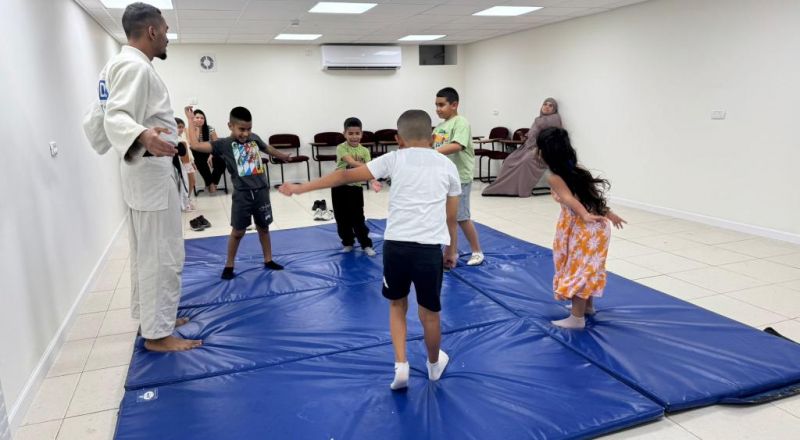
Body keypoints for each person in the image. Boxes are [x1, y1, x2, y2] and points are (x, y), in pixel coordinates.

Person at [279, 110, 460, 390]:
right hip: (428, 250)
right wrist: (452, 250)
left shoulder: (394, 158)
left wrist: (301, 188)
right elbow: (452, 217)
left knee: (397, 305)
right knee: (430, 314)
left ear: (398, 139)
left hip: (397, 247)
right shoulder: (447, 165)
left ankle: (401, 366)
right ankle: (434, 365)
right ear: (434, 136)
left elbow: (343, 175)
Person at [100, 2, 200, 351]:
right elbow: (115, 116)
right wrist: (144, 136)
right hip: (149, 178)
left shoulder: (117, 63)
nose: (168, 37)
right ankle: (158, 335)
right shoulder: (134, 68)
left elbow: (100, 115)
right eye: (166, 31)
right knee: (162, 254)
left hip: (144, 177)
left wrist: (142, 133)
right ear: (153, 31)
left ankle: (156, 318)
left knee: (149, 253)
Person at [536, 127, 626, 329]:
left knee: (578, 269)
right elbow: (591, 197)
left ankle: (576, 318)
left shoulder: (554, 176)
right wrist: (607, 213)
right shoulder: (576, 170)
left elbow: (568, 199)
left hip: (582, 227)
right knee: (588, 267)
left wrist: (585, 215)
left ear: (545, 152)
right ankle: (587, 307)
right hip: (596, 227)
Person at [187, 106, 290, 279]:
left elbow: (268, 149)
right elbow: (195, 145)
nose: (245, 133)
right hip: (242, 194)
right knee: (238, 232)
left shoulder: (254, 139)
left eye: (249, 129)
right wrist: (191, 121)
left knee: (264, 228)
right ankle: (229, 264)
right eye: (241, 129)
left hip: (261, 191)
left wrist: (282, 156)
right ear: (230, 126)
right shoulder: (224, 144)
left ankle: (268, 259)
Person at [433, 87, 484, 266]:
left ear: (454, 105)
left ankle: (477, 251)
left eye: (441, 105)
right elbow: (430, 144)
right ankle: (450, 249)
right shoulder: (439, 127)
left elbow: (457, 145)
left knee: (461, 217)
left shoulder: (460, 122)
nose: (438, 109)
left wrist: (433, 152)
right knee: (447, 217)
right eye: (436, 105)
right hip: (444, 178)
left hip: (460, 178)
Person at [483, 98, 563, 197]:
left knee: (525, 161)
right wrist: (525, 137)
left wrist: (538, 148)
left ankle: (519, 189)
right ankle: (505, 187)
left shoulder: (554, 119)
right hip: (528, 147)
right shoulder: (538, 119)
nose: (547, 107)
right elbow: (533, 135)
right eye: (545, 104)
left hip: (543, 150)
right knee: (509, 160)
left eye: (550, 105)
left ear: (554, 109)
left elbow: (553, 138)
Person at [332, 117, 382, 256]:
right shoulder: (341, 148)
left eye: (357, 133)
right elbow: (351, 162)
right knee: (341, 218)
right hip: (339, 187)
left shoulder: (365, 151)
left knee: (357, 218)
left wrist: (373, 180)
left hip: (355, 189)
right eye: (350, 134)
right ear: (345, 134)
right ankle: (348, 242)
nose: (354, 137)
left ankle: (365, 244)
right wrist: (369, 167)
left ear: (361, 134)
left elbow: (369, 172)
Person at [184, 106, 224, 193]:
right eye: (197, 117)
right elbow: (192, 145)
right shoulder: (188, 129)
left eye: (202, 118)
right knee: (199, 158)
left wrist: (211, 155)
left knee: (222, 160)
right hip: (196, 154)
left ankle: (213, 183)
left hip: (209, 152)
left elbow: (217, 144)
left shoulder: (210, 129)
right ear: (193, 118)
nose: (200, 119)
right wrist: (196, 130)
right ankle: (210, 184)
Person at [174, 117, 197, 212]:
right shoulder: (175, 139)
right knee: (186, 183)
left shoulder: (182, 138)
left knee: (192, 182)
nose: (181, 129)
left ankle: (187, 199)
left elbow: (189, 151)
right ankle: (185, 202)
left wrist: (192, 162)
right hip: (183, 164)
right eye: (179, 127)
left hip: (188, 162)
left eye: (182, 127)